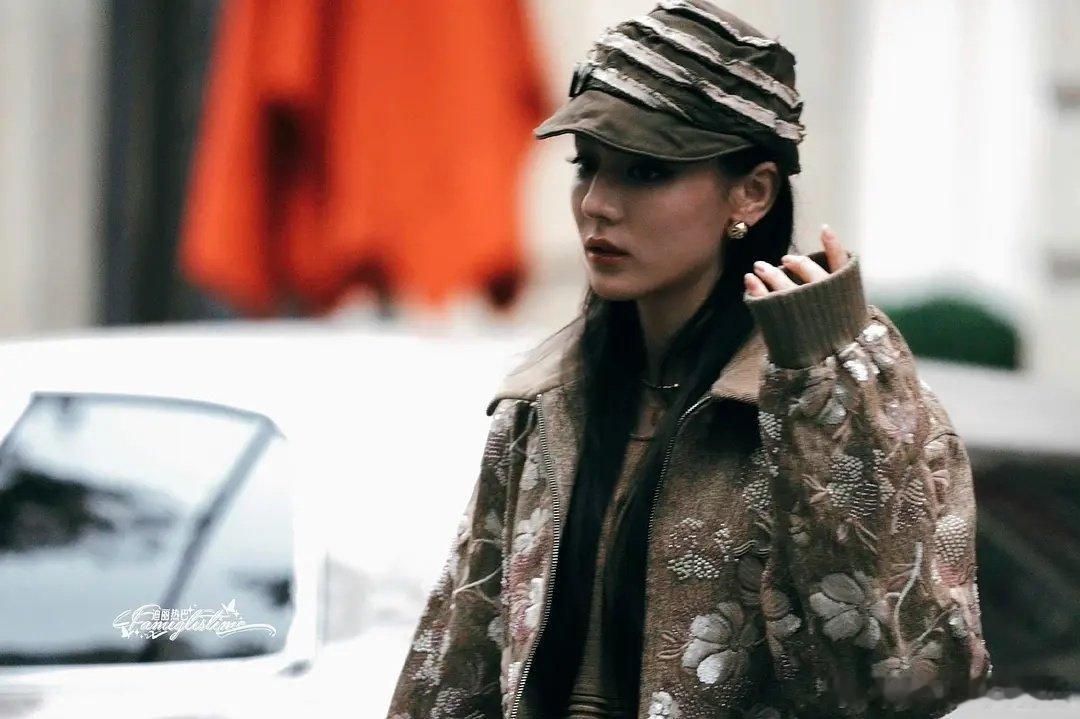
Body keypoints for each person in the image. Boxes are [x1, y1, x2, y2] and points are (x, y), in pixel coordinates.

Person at [384, 1, 991, 717]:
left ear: (752, 193)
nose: (597, 204)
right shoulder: (546, 400)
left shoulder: (845, 388)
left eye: (645, 172)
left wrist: (826, 390)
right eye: (587, 167)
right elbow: (454, 673)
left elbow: (905, 678)